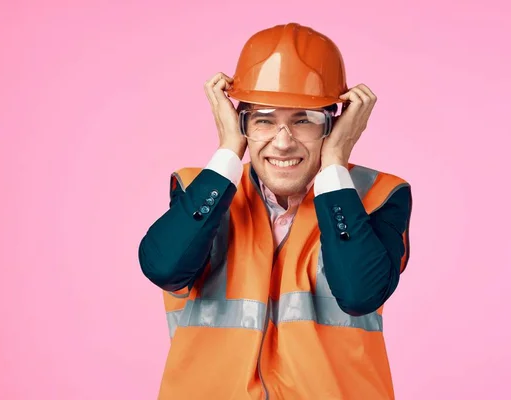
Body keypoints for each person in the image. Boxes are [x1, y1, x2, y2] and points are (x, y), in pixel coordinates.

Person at [138, 22, 413, 400]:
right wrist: (227, 154)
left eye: (304, 120)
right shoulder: (200, 190)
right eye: (264, 120)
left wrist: (334, 164)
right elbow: (164, 268)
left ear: (333, 125)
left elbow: (359, 294)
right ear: (242, 122)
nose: (282, 143)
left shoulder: (378, 196)